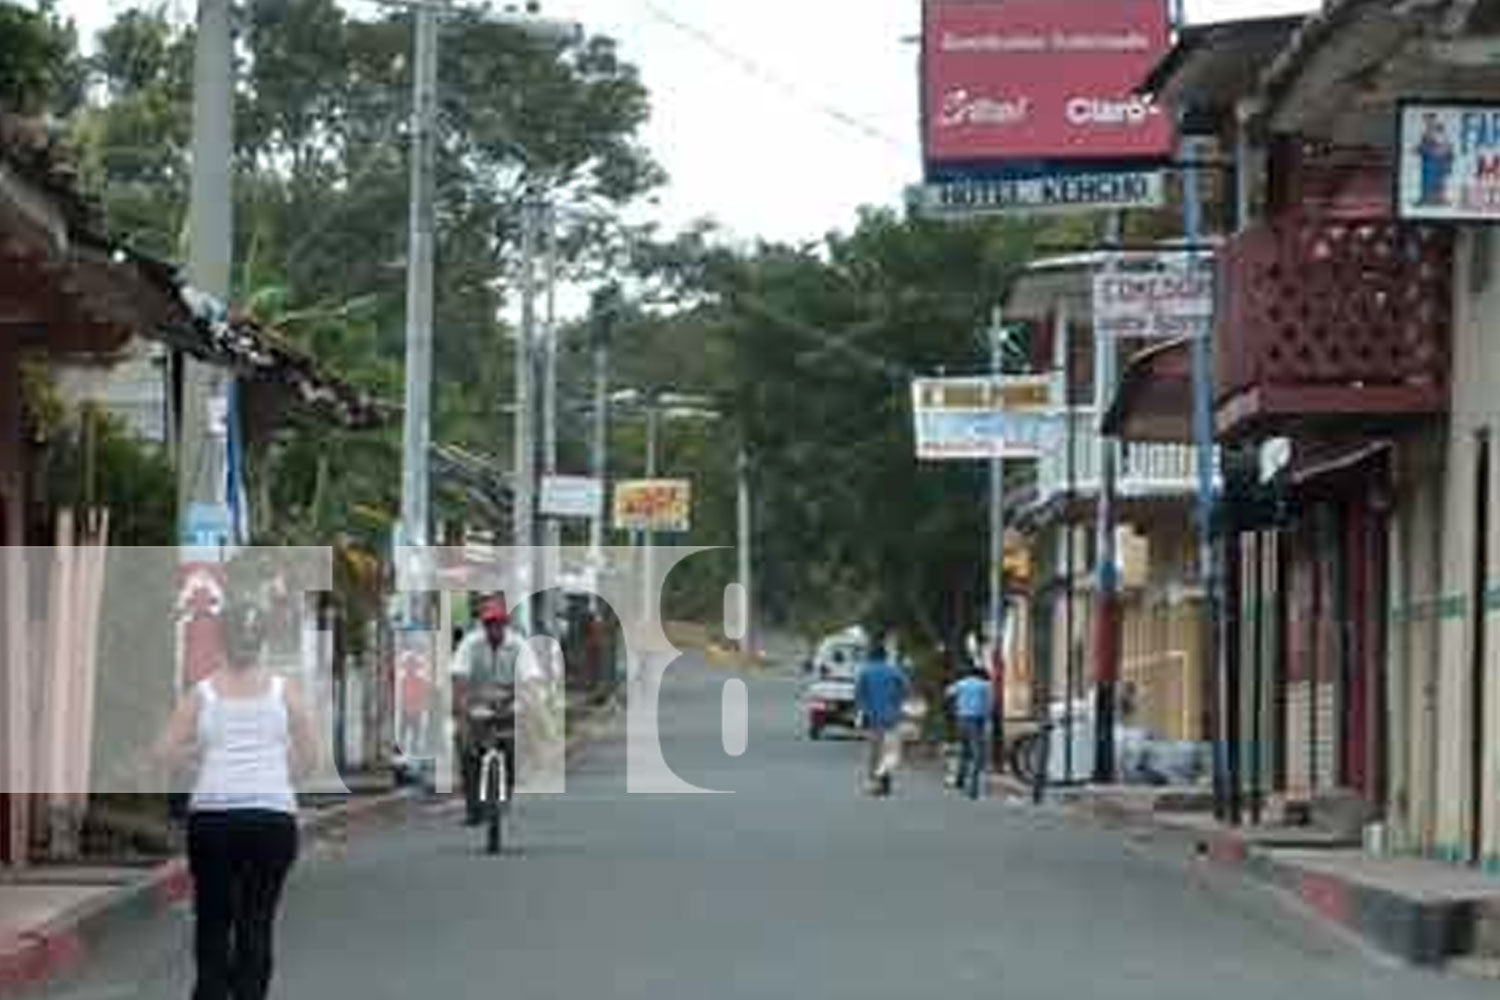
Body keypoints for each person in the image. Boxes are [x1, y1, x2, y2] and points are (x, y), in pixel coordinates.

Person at [155, 602, 316, 1000]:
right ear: (262, 642)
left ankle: (210, 992)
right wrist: (279, 779)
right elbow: (310, 756)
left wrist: (200, 763)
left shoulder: (203, 694)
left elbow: (162, 751)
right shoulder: (285, 692)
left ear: (220, 642)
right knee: (256, 920)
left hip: (213, 818)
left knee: (213, 917)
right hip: (271, 819)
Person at [452, 596, 523, 824]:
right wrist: (462, 708)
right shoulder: (470, 644)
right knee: (465, 747)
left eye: (498, 624)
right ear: (483, 625)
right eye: (489, 624)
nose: (494, 629)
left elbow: (531, 679)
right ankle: (473, 807)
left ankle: (507, 788)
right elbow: (460, 677)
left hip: (509, 702)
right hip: (477, 703)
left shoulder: (519, 645)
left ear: (505, 624)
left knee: (517, 745)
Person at [854, 639, 910, 797]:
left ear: (871, 656)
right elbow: (906, 688)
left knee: (874, 753)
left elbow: (858, 695)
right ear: (885, 656)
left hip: (873, 719)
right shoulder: (894, 671)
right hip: (893, 718)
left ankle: (873, 782)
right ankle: (885, 782)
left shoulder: (865, 671)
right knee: (891, 753)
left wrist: (864, 710)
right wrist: (897, 700)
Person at [947, 665, 994, 801]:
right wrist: (988, 719)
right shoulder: (985, 685)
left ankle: (960, 779)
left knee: (964, 750)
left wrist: (957, 705)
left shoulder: (961, 683)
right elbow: (989, 704)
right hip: (977, 719)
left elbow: (948, 693)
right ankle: (974, 785)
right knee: (978, 751)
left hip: (961, 718)